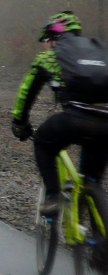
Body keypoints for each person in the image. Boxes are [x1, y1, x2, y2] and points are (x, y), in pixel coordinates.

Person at [11, 11, 108, 216]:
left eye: (46, 40)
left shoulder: (50, 57)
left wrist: (20, 123)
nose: (45, 45)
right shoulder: (100, 53)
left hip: (74, 120)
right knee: (92, 179)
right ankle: (95, 222)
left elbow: (25, 93)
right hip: (105, 124)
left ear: (54, 38)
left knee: (43, 143)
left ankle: (53, 197)